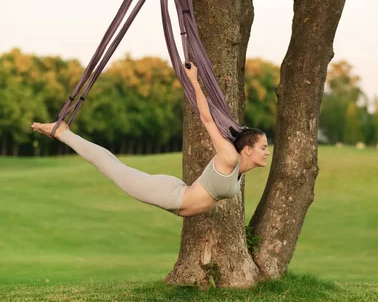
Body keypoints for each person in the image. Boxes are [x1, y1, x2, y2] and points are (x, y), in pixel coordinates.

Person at [31, 63, 270, 217]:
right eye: (263, 147)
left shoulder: (239, 168)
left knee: (114, 166)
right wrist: (194, 81)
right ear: (247, 150)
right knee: (112, 168)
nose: (267, 151)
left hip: (176, 194)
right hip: (170, 195)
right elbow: (208, 120)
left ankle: (63, 133)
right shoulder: (229, 157)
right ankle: (62, 133)